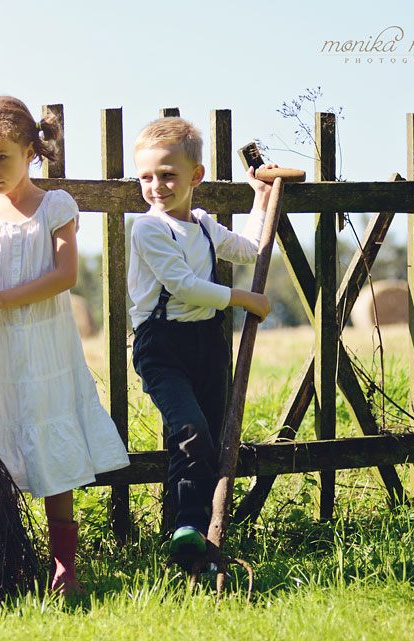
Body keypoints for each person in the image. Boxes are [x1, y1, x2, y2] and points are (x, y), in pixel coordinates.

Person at [0, 96, 130, 595]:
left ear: (30, 153)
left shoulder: (54, 206)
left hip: (44, 346)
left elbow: (65, 276)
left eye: (3, 158)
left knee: (50, 446)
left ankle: (64, 568)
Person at [127, 117, 274, 573]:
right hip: (161, 345)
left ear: (196, 176)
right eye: (146, 177)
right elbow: (184, 286)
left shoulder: (205, 226)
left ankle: (205, 540)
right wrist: (244, 298)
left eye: (168, 175)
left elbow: (248, 248)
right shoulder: (148, 229)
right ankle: (186, 528)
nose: (156, 186)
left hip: (207, 343)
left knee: (209, 436)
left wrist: (260, 197)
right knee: (189, 429)